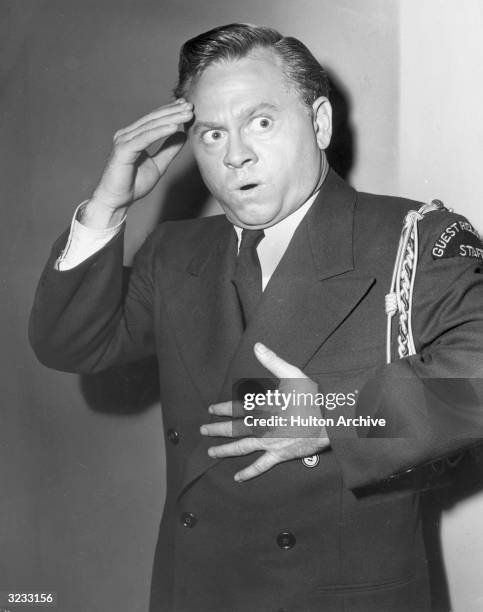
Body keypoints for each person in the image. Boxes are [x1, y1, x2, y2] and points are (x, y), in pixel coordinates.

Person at [29, 23, 483, 612]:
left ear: (319, 123)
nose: (235, 154)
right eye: (212, 133)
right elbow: (72, 346)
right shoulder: (175, 253)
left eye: (261, 122)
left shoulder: (413, 237)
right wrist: (108, 204)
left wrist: (338, 416)